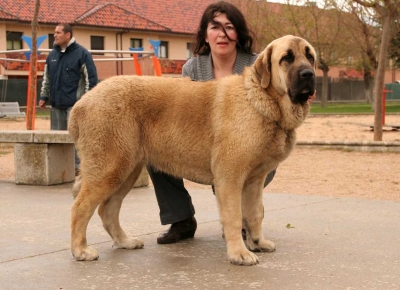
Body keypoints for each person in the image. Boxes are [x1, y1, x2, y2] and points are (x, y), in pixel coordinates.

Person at [149, 1, 277, 245]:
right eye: (215, 27)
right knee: (156, 146)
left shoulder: (259, 64)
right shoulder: (192, 68)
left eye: (230, 27)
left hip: (248, 149)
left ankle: (241, 224)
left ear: (238, 34)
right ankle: (181, 219)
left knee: (235, 165)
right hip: (204, 147)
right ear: (205, 35)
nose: (223, 34)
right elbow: (180, 115)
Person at [39, 23, 98, 175]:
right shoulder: (52, 55)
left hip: (75, 106)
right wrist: (44, 96)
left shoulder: (82, 54)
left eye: (58, 32)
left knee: (76, 140)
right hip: (56, 105)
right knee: (57, 140)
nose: (55, 35)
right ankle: (59, 173)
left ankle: (79, 172)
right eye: (54, 32)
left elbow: (91, 79)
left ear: (68, 35)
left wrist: (86, 102)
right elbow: (47, 78)